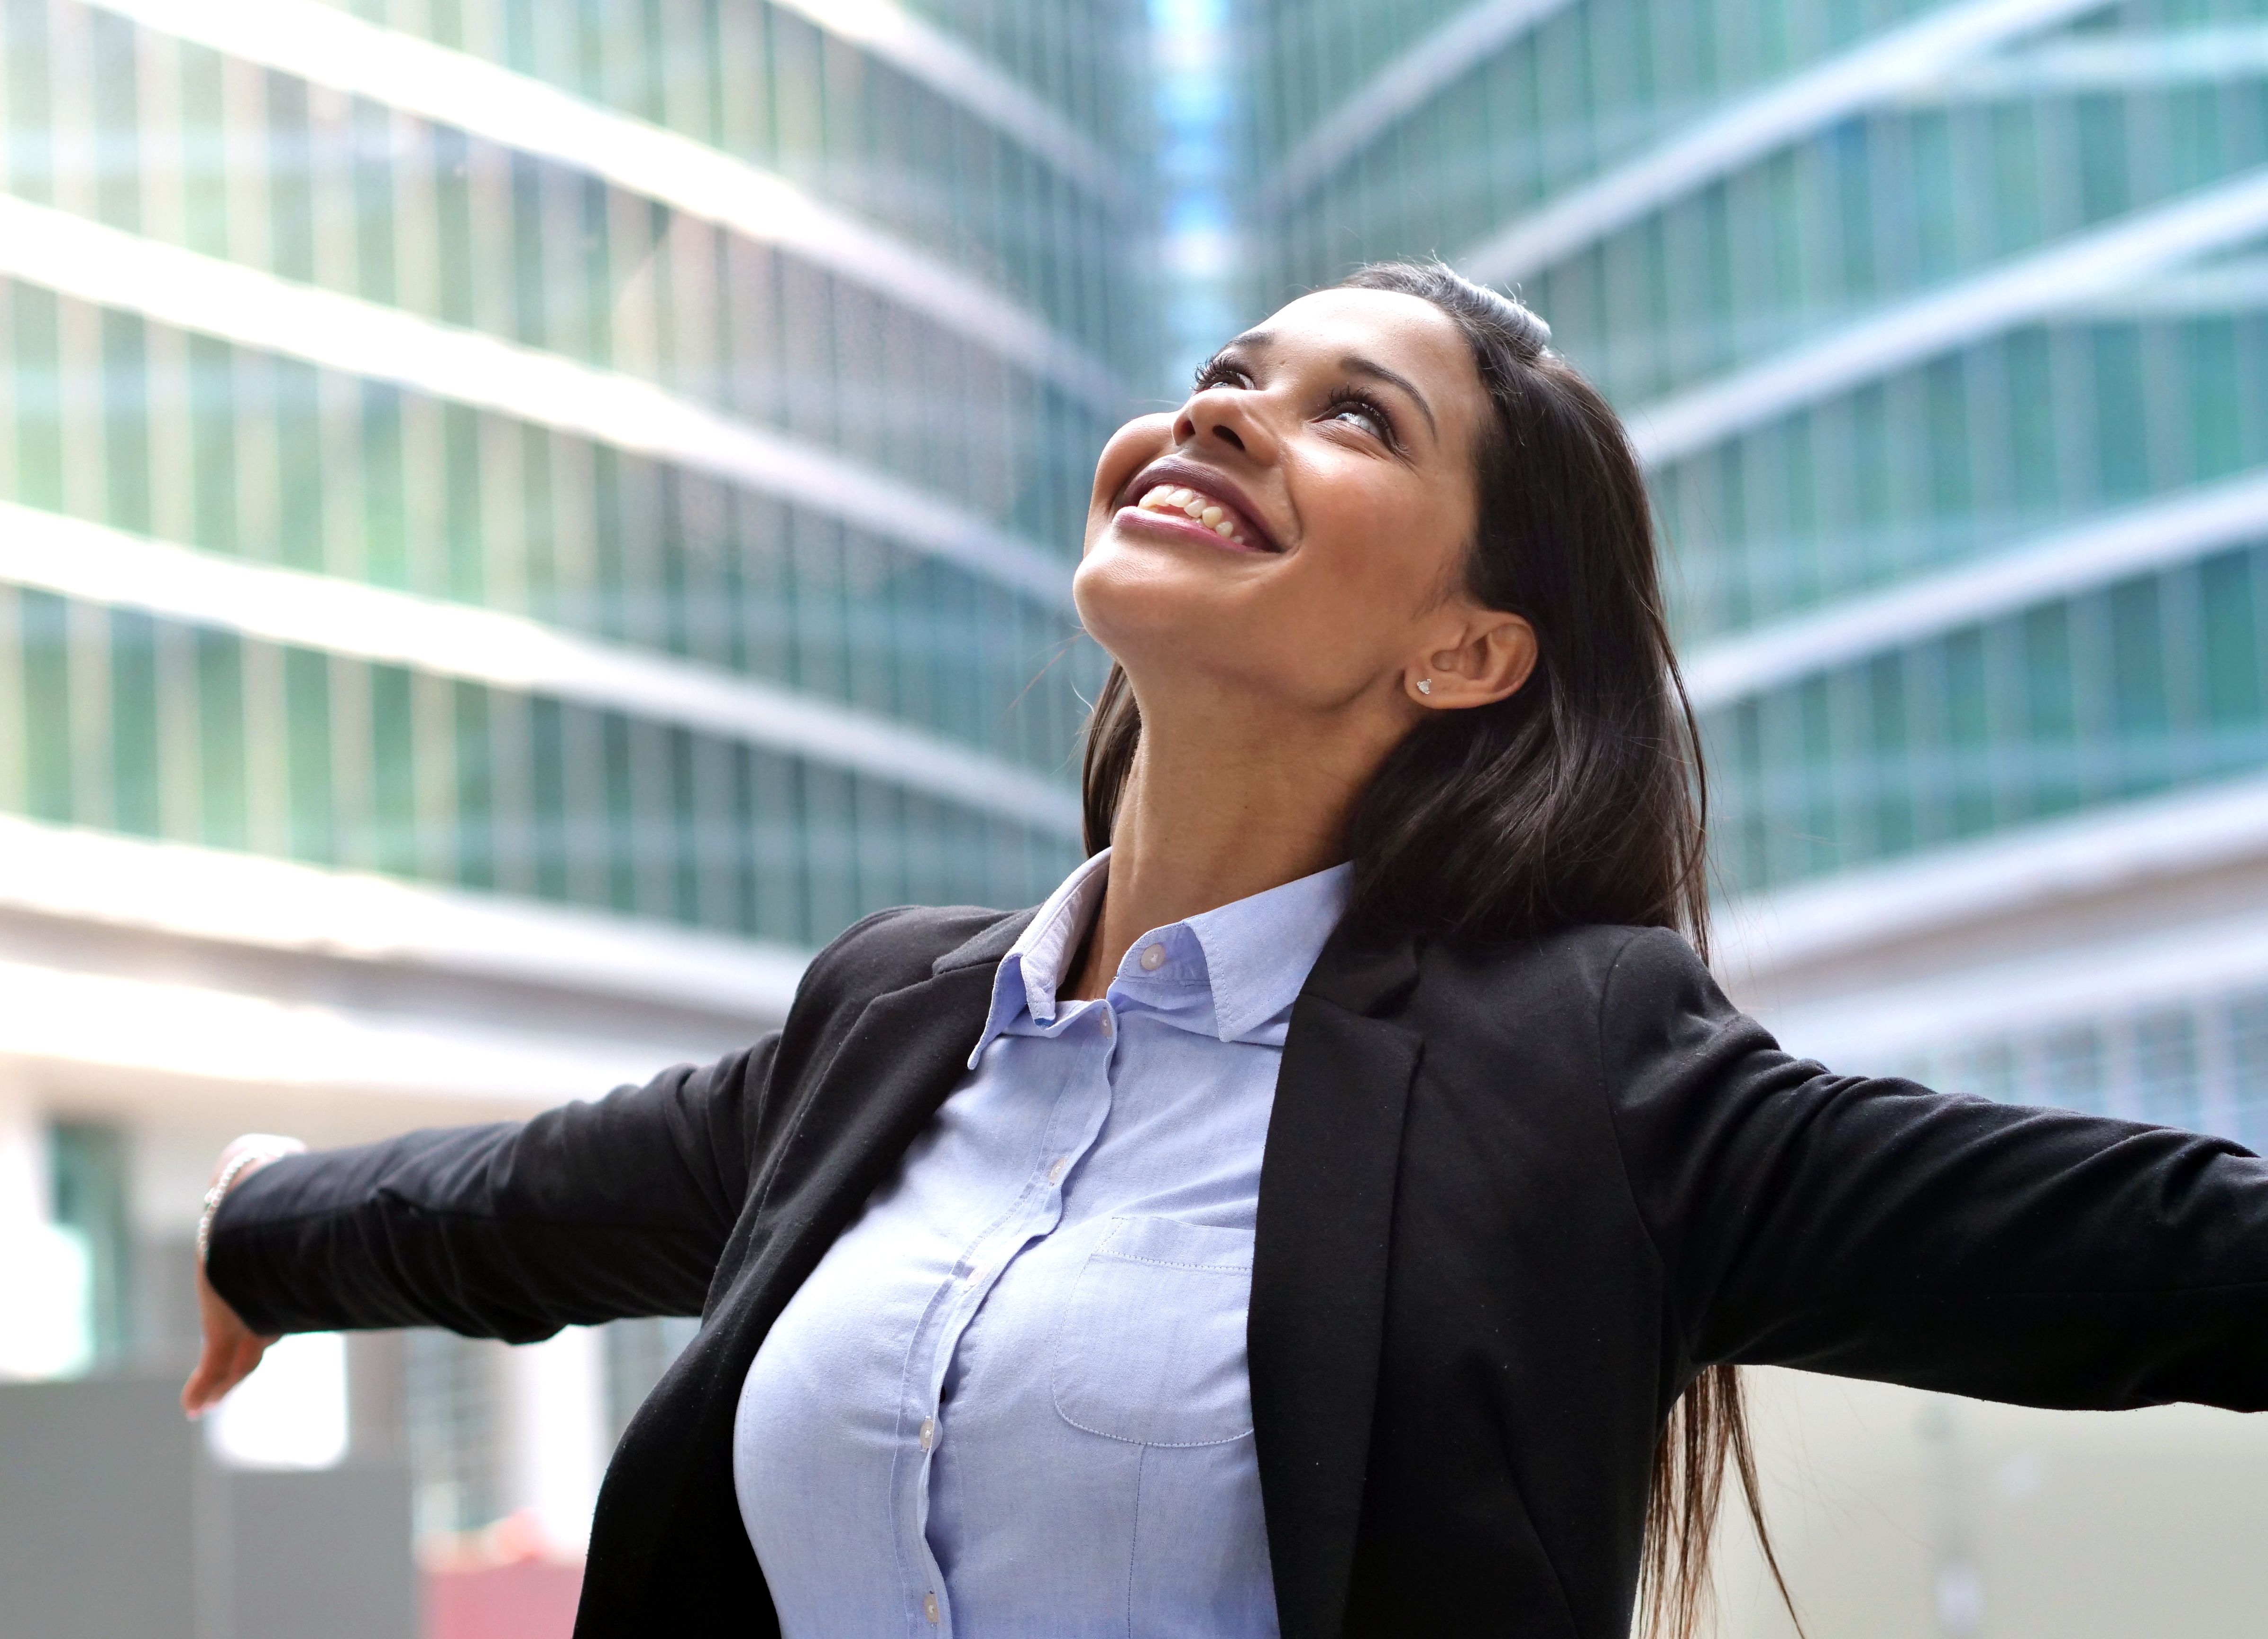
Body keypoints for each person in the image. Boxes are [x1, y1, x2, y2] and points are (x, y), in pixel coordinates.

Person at [183, 262, 2268, 1639]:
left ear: (1469, 649)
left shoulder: (1578, 1071)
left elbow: (2164, 1255)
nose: (1225, 418)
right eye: (1224, 379)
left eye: (1357, 417)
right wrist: (269, 1230)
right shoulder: (896, 1017)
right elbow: (538, 1208)